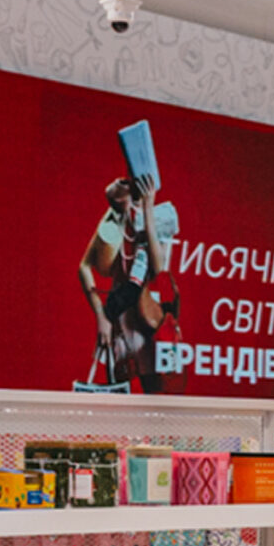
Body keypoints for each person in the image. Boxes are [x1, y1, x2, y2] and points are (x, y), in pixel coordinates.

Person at [78, 166, 180, 391]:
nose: (121, 181)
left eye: (126, 181)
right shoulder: (113, 223)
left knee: (153, 394)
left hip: (146, 321)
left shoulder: (159, 219)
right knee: (118, 394)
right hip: (119, 321)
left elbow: (159, 268)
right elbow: (84, 267)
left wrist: (148, 209)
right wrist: (101, 316)